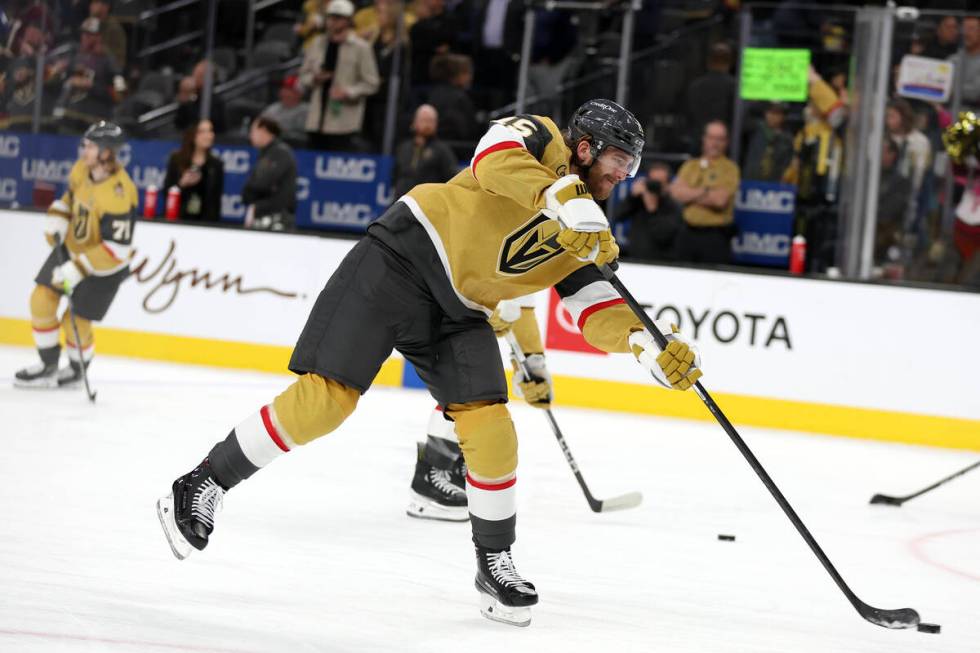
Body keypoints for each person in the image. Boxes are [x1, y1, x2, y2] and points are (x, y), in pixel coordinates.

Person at [156, 99, 703, 628]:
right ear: (585, 147)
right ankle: (203, 481)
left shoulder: (587, 233)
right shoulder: (542, 139)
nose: (622, 177)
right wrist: (560, 197)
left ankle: (494, 564)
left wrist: (645, 345)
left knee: (492, 428)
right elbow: (492, 156)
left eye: (629, 168)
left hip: (460, 310)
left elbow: (595, 309)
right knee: (324, 403)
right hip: (401, 257)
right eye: (617, 163)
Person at [14, 121, 137, 388]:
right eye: (86, 144)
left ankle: (76, 369)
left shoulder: (120, 193)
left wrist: (79, 268)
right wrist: (59, 213)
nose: (85, 150)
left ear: (107, 152)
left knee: (75, 322)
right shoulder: (82, 168)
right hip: (73, 250)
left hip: (105, 267)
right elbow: (71, 196)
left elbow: (118, 249)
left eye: (91, 146)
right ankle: (47, 365)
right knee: (41, 300)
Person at [407, 295, 547, 521]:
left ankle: (453, 469)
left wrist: (534, 362)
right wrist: (485, 301)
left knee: (478, 390)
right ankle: (432, 479)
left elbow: (522, 299)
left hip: (462, 311)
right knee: (467, 388)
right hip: (434, 303)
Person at [299, 0, 380, 152]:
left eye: (338, 18)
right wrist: (315, 79)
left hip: (344, 122)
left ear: (348, 20)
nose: (332, 22)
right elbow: (303, 75)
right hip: (316, 118)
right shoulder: (317, 43)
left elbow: (372, 83)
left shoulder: (361, 47)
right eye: (330, 17)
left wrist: (348, 92)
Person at [669, 120, 740, 264]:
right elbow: (676, 194)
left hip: (715, 237)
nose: (715, 143)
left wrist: (690, 194)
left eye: (720, 139)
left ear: (726, 142)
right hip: (687, 234)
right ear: (704, 139)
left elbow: (720, 201)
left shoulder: (730, 169)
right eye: (711, 137)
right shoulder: (690, 165)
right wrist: (706, 191)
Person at [51, 17, 126, 132]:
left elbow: (120, 92)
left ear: (99, 37)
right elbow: (59, 82)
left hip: (94, 121)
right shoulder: (74, 57)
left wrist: (92, 86)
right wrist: (61, 73)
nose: (84, 38)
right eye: (83, 34)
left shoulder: (109, 61)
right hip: (69, 118)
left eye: (89, 35)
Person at [615, 162, 682, 262]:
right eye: (652, 181)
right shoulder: (638, 200)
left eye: (659, 183)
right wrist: (632, 196)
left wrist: (652, 210)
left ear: (668, 185)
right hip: (634, 259)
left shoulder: (673, 206)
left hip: (662, 263)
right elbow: (617, 216)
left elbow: (663, 236)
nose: (655, 186)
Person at [163, 119, 225, 223]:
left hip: (205, 223)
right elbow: (166, 193)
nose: (208, 135)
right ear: (192, 135)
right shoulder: (177, 160)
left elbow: (216, 202)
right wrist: (182, 183)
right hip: (179, 219)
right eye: (202, 131)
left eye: (210, 131)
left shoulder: (216, 165)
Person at [242, 116, 297, 231]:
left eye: (253, 131)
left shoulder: (279, 153)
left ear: (264, 131)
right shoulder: (267, 154)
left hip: (276, 219)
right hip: (266, 215)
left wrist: (249, 195)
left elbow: (262, 184)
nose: (250, 135)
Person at [392, 104, 459, 197]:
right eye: (424, 120)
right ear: (414, 122)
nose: (427, 124)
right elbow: (395, 176)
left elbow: (452, 179)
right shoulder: (403, 147)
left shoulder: (442, 150)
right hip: (402, 202)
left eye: (431, 121)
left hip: (427, 205)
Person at [684, 42, 735, 152]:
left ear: (708, 61)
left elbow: (688, 117)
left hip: (698, 142)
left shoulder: (695, 86)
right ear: (730, 62)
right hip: (725, 146)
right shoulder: (735, 87)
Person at [743, 102, 794, 183]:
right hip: (750, 181)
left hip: (773, 184)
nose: (772, 117)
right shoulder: (756, 128)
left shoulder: (787, 139)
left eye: (776, 113)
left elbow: (787, 163)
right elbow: (742, 118)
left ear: (783, 116)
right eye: (770, 112)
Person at [175, 60, 227, 134]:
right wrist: (185, 97)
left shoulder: (215, 101)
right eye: (195, 73)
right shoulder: (191, 95)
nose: (194, 77)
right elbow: (179, 124)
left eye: (199, 75)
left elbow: (207, 123)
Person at [260, 75, 310, 144]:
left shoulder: (306, 111)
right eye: (283, 89)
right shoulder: (273, 108)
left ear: (299, 94)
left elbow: (302, 136)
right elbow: (260, 125)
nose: (284, 92)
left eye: (289, 90)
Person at [88, 0, 126, 70]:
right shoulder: (92, 23)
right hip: (92, 66)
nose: (91, 6)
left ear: (106, 7)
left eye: (95, 3)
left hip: (109, 70)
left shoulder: (113, 28)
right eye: (92, 3)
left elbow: (118, 59)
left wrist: (103, 50)